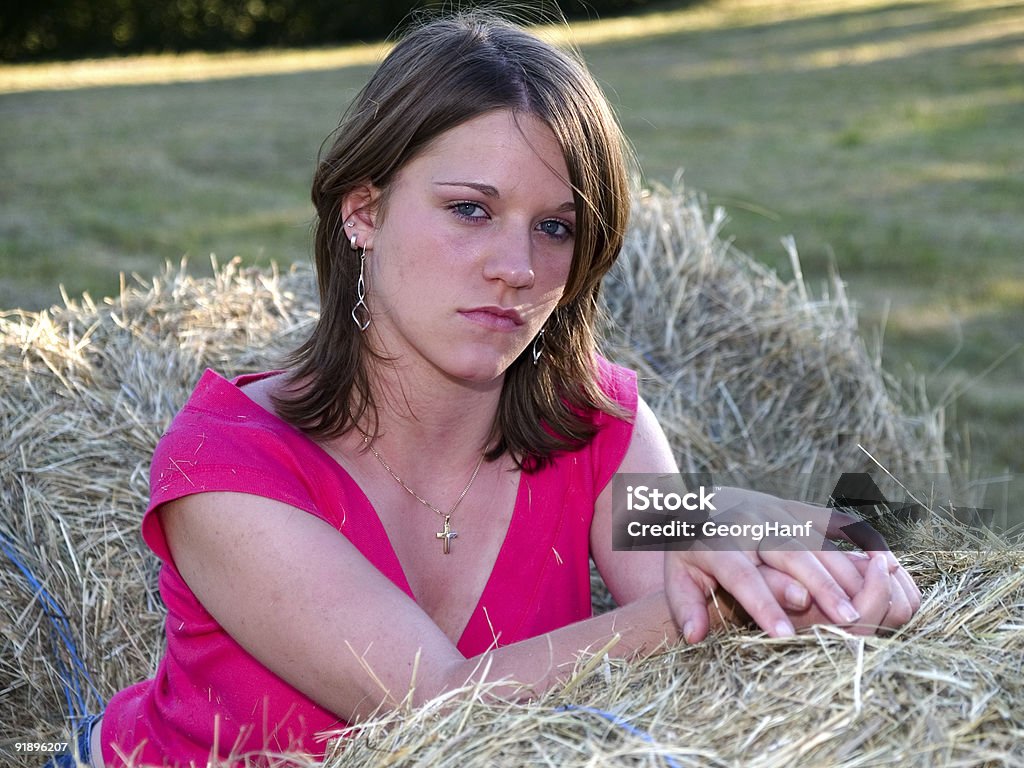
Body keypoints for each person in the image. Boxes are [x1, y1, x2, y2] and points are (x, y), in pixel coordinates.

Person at [76, 11, 920, 768]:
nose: (517, 268)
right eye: (471, 209)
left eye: (554, 227)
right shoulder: (227, 468)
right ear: (362, 211)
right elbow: (437, 710)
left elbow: (691, 536)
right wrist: (730, 601)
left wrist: (833, 557)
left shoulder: (595, 426)